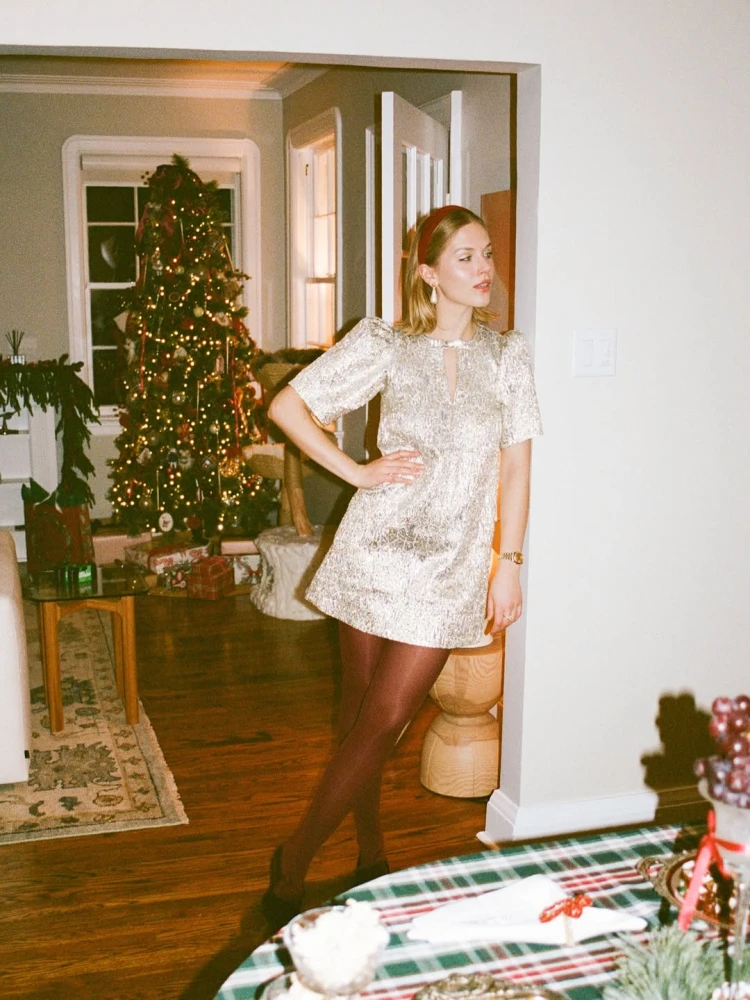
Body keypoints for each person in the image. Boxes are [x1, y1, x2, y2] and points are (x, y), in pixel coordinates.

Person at [262, 204, 542, 930]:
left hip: (452, 565)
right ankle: (370, 850)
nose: (484, 269)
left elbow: (517, 470)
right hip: (374, 549)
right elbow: (288, 408)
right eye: (465, 258)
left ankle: (293, 860)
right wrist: (356, 472)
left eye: (486, 254)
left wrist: (508, 564)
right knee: (359, 714)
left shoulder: (508, 356)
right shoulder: (385, 344)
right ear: (428, 273)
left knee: (386, 718)